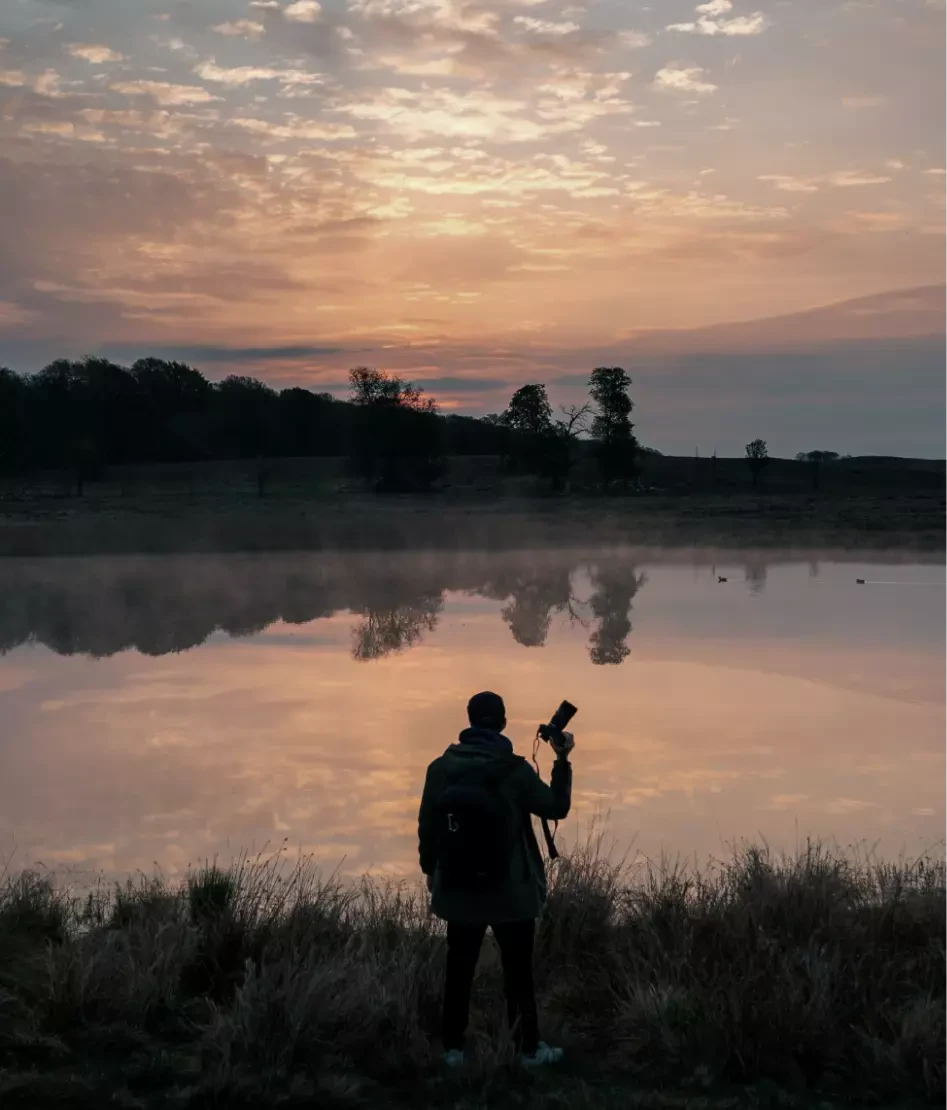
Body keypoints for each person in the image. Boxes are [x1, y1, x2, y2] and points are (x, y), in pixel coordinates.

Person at [418, 690, 574, 1068]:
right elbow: (557, 807)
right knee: (518, 972)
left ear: (469, 721)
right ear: (503, 722)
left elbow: (428, 827)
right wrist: (562, 758)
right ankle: (528, 1050)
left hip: (458, 888)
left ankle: (452, 1050)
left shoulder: (441, 768)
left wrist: (431, 871)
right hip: (511, 893)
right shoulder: (514, 771)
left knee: (459, 970)